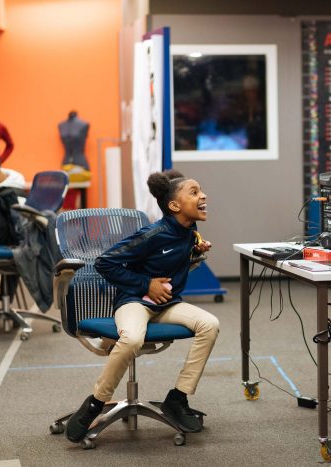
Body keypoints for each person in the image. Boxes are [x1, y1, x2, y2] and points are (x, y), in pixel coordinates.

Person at [65, 169, 220, 443]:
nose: (203, 195)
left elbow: (175, 257)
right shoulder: (153, 233)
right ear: (174, 206)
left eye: (201, 190)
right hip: (134, 302)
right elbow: (105, 262)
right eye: (194, 192)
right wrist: (145, 284)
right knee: (133, 338)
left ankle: (177, 398)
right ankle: (96, 402)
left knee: (210, 324)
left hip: (167, 305)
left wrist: (195, 252)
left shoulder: (189, 231)